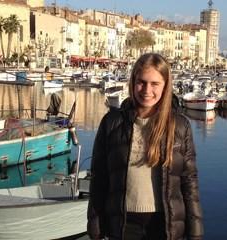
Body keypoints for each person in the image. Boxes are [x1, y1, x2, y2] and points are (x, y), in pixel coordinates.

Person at [87, 53, 203, 240]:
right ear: (133, 82)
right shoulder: (112, 123)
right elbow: (99, 178)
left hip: (164, 225)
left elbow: (189, 182)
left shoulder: (179, 126)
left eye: (155, 83)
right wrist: (95, 226)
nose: (147, 90)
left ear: (165, 86)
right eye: (141, 82)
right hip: (123, 225)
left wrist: (195, 233)